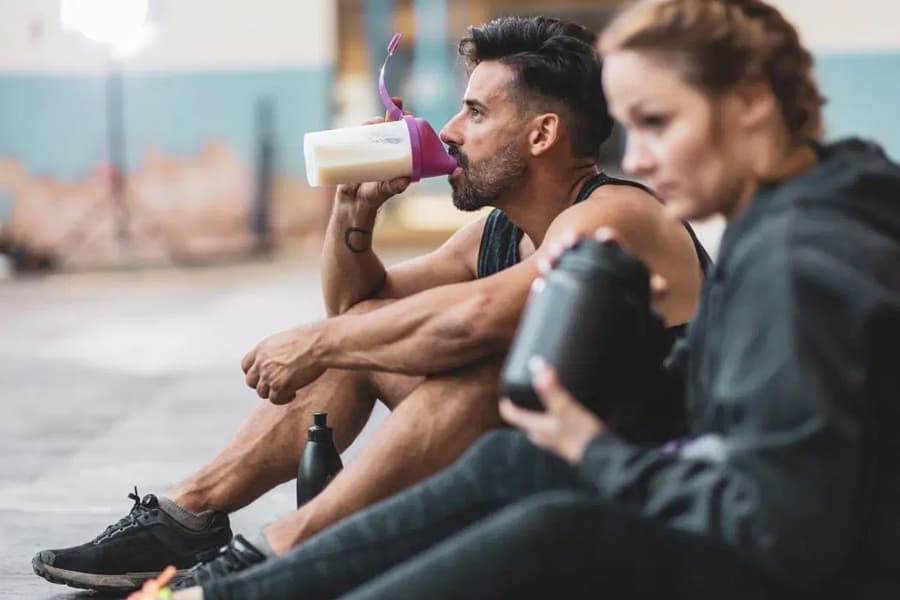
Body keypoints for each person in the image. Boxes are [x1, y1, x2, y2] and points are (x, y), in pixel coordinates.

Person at [134, 0, 900, 598]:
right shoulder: (779, 223)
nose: (642, 155)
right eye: (633, 127)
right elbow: (361, 313)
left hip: (789, 561)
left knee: (530, 492)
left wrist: (595, 450)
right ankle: (218, 560)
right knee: (510, 458)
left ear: (752, 104)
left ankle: (250, 577)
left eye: (658, 123)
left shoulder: (786, 257)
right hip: (693, 485)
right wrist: (353, 210)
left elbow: (786, 529)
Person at [33, 16, 709, 593]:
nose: (448, 130)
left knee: (469, 379)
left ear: (542, 135)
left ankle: (278, 554)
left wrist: (320, 341)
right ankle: (190, 515)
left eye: (476, 113)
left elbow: (468, 321)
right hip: (532, 474)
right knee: (366, 338)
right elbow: (360, 309)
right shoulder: (498, 231)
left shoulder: (612, 216)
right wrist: (351, 216)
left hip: (631, 489)